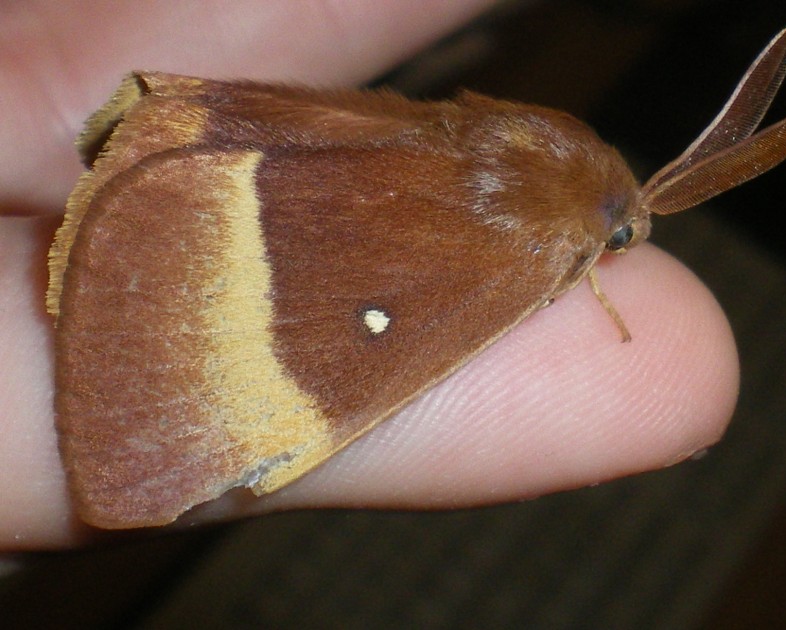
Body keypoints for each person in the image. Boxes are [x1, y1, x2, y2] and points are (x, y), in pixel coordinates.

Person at [0, 0, 737, 550]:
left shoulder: (555, 161)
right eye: (614, 243)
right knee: (184, 445)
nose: (615, 251)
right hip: (244, 224)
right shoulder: (533, 246)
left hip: (300, 140)